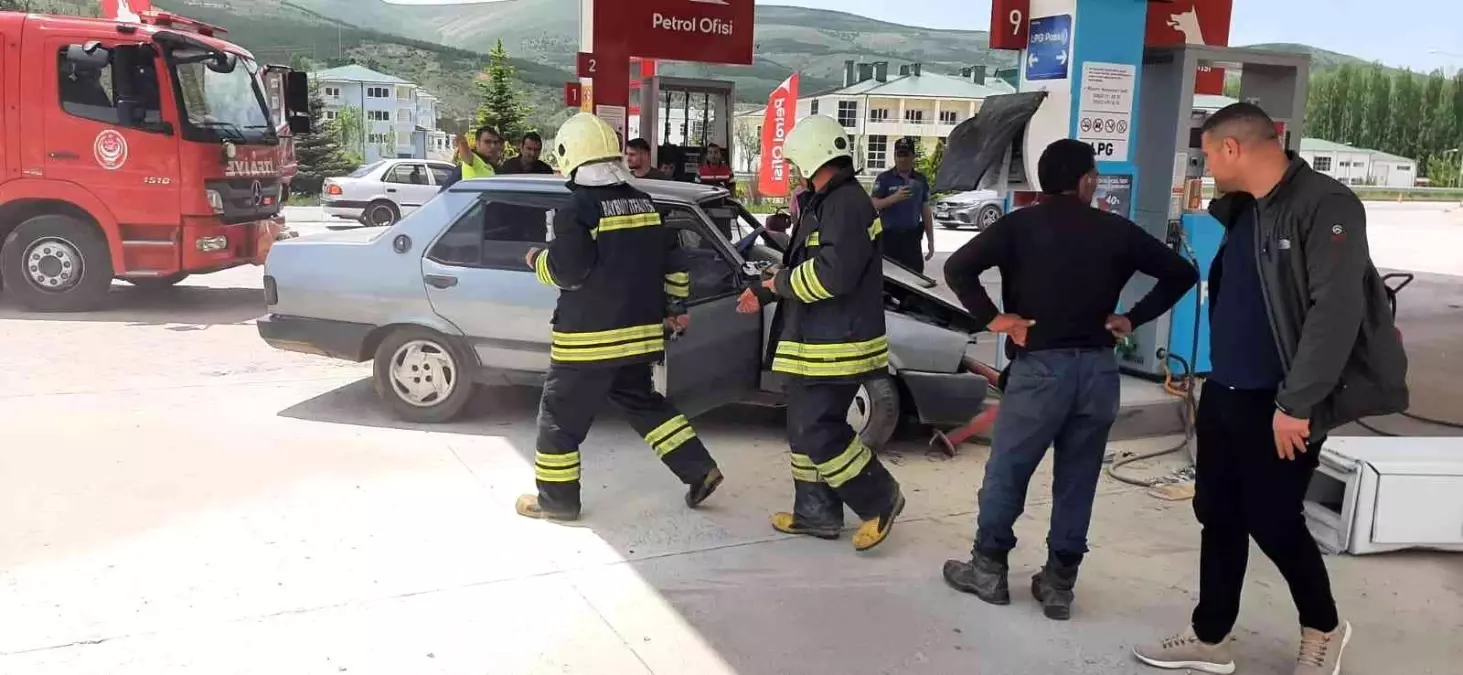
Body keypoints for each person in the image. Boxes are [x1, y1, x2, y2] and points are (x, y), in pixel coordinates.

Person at [1133, 103, 1408, 675]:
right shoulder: (1244, 211)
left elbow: (1335, 311)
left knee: (1274, 519)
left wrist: (1297, 403)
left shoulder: (1325, 206)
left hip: (1281, 399)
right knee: (1219, 513)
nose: (1205, 165)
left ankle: (1325, 626)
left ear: (1231, 149)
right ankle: (1210, 638)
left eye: (1208, 153)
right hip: (1226, 390)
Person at [940, 138, 1198, 621]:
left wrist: (996, 319)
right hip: (1099, 372)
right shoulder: (1116, 231)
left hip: (1039, 371)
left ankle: (988, 570)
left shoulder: (1019, 226)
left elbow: (958, 269)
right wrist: (1132, 318)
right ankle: (1059, 585)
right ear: (1086, 181)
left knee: (1008, 472)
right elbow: (1180, 273)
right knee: (1077, 479)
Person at [517, 112, 725, 521]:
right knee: (644, 404)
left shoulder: (577, 208)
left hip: (587, 342)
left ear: (572, 156)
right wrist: (676, 309)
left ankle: (556, 502)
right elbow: (675, 266)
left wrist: (537, 260)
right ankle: (700, 469)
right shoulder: (645, 203)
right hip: (641, 336)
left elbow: (568, 273)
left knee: (558, 418)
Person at [736, 114, 905, 552]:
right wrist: (768, 289)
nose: (795, 170)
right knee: (803, 430)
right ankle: (816, 512)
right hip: (817, 341)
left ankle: (880, 497)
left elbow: (833, 276)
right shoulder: (824, 202)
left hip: (837, 345)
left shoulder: (845, 204)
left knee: (818, 430)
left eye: (797, 162)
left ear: (813, 158)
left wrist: (778, 283)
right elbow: (805, 266)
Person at [870, 138, 935, 273]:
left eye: (906, 155)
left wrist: (931, 241)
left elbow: (925, 211)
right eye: (899, 155)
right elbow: (874, 204)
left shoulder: (920, 180)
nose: (902, 159)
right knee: (888, 280)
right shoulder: (884, 178)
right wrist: (894, 198)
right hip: (889, 238)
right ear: (894, 156)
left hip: (912, 239)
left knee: (915, 278)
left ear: (913, 156)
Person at [439, 126, 504, 191]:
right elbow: (466, 153)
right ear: (477, 143)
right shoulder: (473, 159)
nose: (492, 146)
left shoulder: (489, 165)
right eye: (487, 142)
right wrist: (461, 141)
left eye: (495, 142)